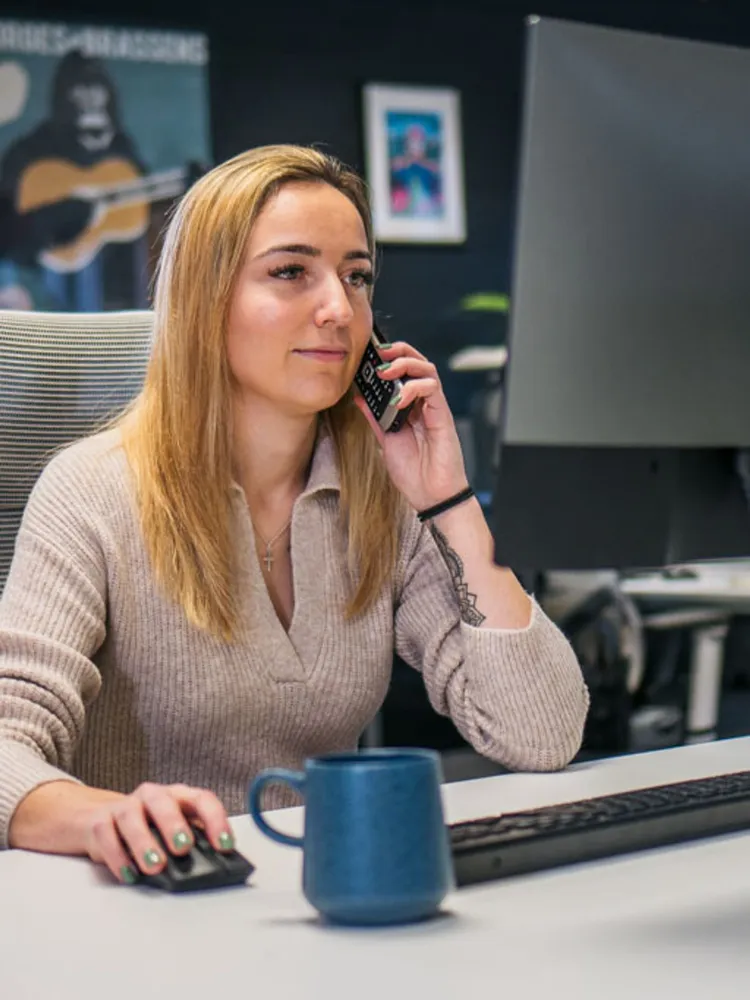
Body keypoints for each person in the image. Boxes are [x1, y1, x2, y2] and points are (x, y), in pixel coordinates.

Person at [0, 144, 589, 885]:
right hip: (146, 897)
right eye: (290, 272)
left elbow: (541, 732)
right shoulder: (93, 490)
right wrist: (100, 817)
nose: (339, 310)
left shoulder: (381, 496)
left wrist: (449, 500)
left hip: (314, 890)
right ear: (203, 300)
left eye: (357, 276)